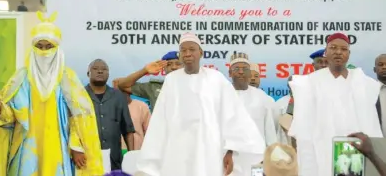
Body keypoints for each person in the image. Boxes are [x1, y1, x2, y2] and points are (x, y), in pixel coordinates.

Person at [0, 11, 103, 175]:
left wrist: (76, 146)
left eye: (49, 46)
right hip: (26, 151)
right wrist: (0, 109)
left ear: (57, 48)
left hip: (58, 149)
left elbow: (79, 116)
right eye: (39, 46)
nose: (44, 51)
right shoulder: (21, 78)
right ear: (33, 47)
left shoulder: (67, 78)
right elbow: (11, 118)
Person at [136, 32, 265, 176]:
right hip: (177, 149)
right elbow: (160, 120)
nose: (187, 53)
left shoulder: (216, 79)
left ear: (201, 53)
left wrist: (230, 150)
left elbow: (233, 116)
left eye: (192, 49)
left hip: (210, 149)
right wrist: (155, 155)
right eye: (183, 50)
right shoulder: (171, 80)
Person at [288, 32, 383, 176]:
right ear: (326, 52)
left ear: (349, 54)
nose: (338, 52)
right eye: (333, 47)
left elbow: (372, 122)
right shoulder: (309, 83)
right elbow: (302, 129)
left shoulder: (364, 83)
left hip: (354, 149)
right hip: (321, 150)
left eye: (343, 49)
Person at [86, 59, 135, 171]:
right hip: (87, 159)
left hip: (114, 159)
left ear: (108, 74)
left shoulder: (118, 96)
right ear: (88, 73)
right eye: (95, 69)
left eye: (104, 69)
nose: (100, 71)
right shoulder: (80, 95)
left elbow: (128, 129)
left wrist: (131, 155)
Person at [229, 52, 276, 146]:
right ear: (230, 73)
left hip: (257, 157)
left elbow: (269, 129)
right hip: (228, 157)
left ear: (249, 73)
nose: (241, 72)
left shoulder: (261, 96)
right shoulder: (221, 94)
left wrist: (272, 153)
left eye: (245, 69)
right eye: (237, 69)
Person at [115, 51, 183, 111]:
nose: (174, 67)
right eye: (169, 64)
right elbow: (123, 85)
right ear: (163, 68)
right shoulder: (153, 87)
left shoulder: (193, 86)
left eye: (178, 64)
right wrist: (144, 71)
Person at [374, 54, 386, 136]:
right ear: (375, 69)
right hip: (377, 143)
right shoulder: (369, 91)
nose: (384, 67)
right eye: (380, 64)